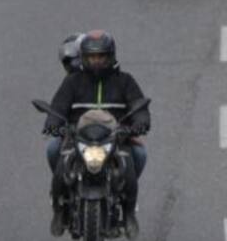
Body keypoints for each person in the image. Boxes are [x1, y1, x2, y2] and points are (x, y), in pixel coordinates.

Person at [44, 31, 150, 237]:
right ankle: (58, 210)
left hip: (116, 138)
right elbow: (58, 107)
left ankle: (129, 213)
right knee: (53, 149)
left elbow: (140, 108)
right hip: (77, 137)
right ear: (84, 58)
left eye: (101, 56)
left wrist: (140, 124)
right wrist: (53, 124)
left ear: (110, 56)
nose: (96, 61)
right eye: (92, 57)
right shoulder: (72, 82)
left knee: (139, 155)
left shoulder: (125, 81)